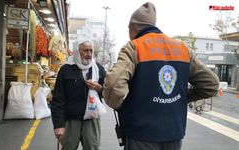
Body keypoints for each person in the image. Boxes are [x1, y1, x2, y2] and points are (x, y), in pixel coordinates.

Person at [102, 2, 219, 150]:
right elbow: (212, 84)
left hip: (141, 135)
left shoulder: (134, 47)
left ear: (134, 27)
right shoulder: (183, 49)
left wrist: (120, 105)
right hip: (174, 135)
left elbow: (113, 85)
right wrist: (180, 98)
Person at [51, 40, 106, 150]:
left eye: (91, 50)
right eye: (85, 50)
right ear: (77, 51)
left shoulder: (98, 69)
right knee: (68, 147)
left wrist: (99, 88)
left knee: (92, 147)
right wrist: (58, 125)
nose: (89, 54)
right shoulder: (66, 70)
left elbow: (108, 92)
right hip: (71, 119)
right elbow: (58, 99)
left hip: (92, 118)